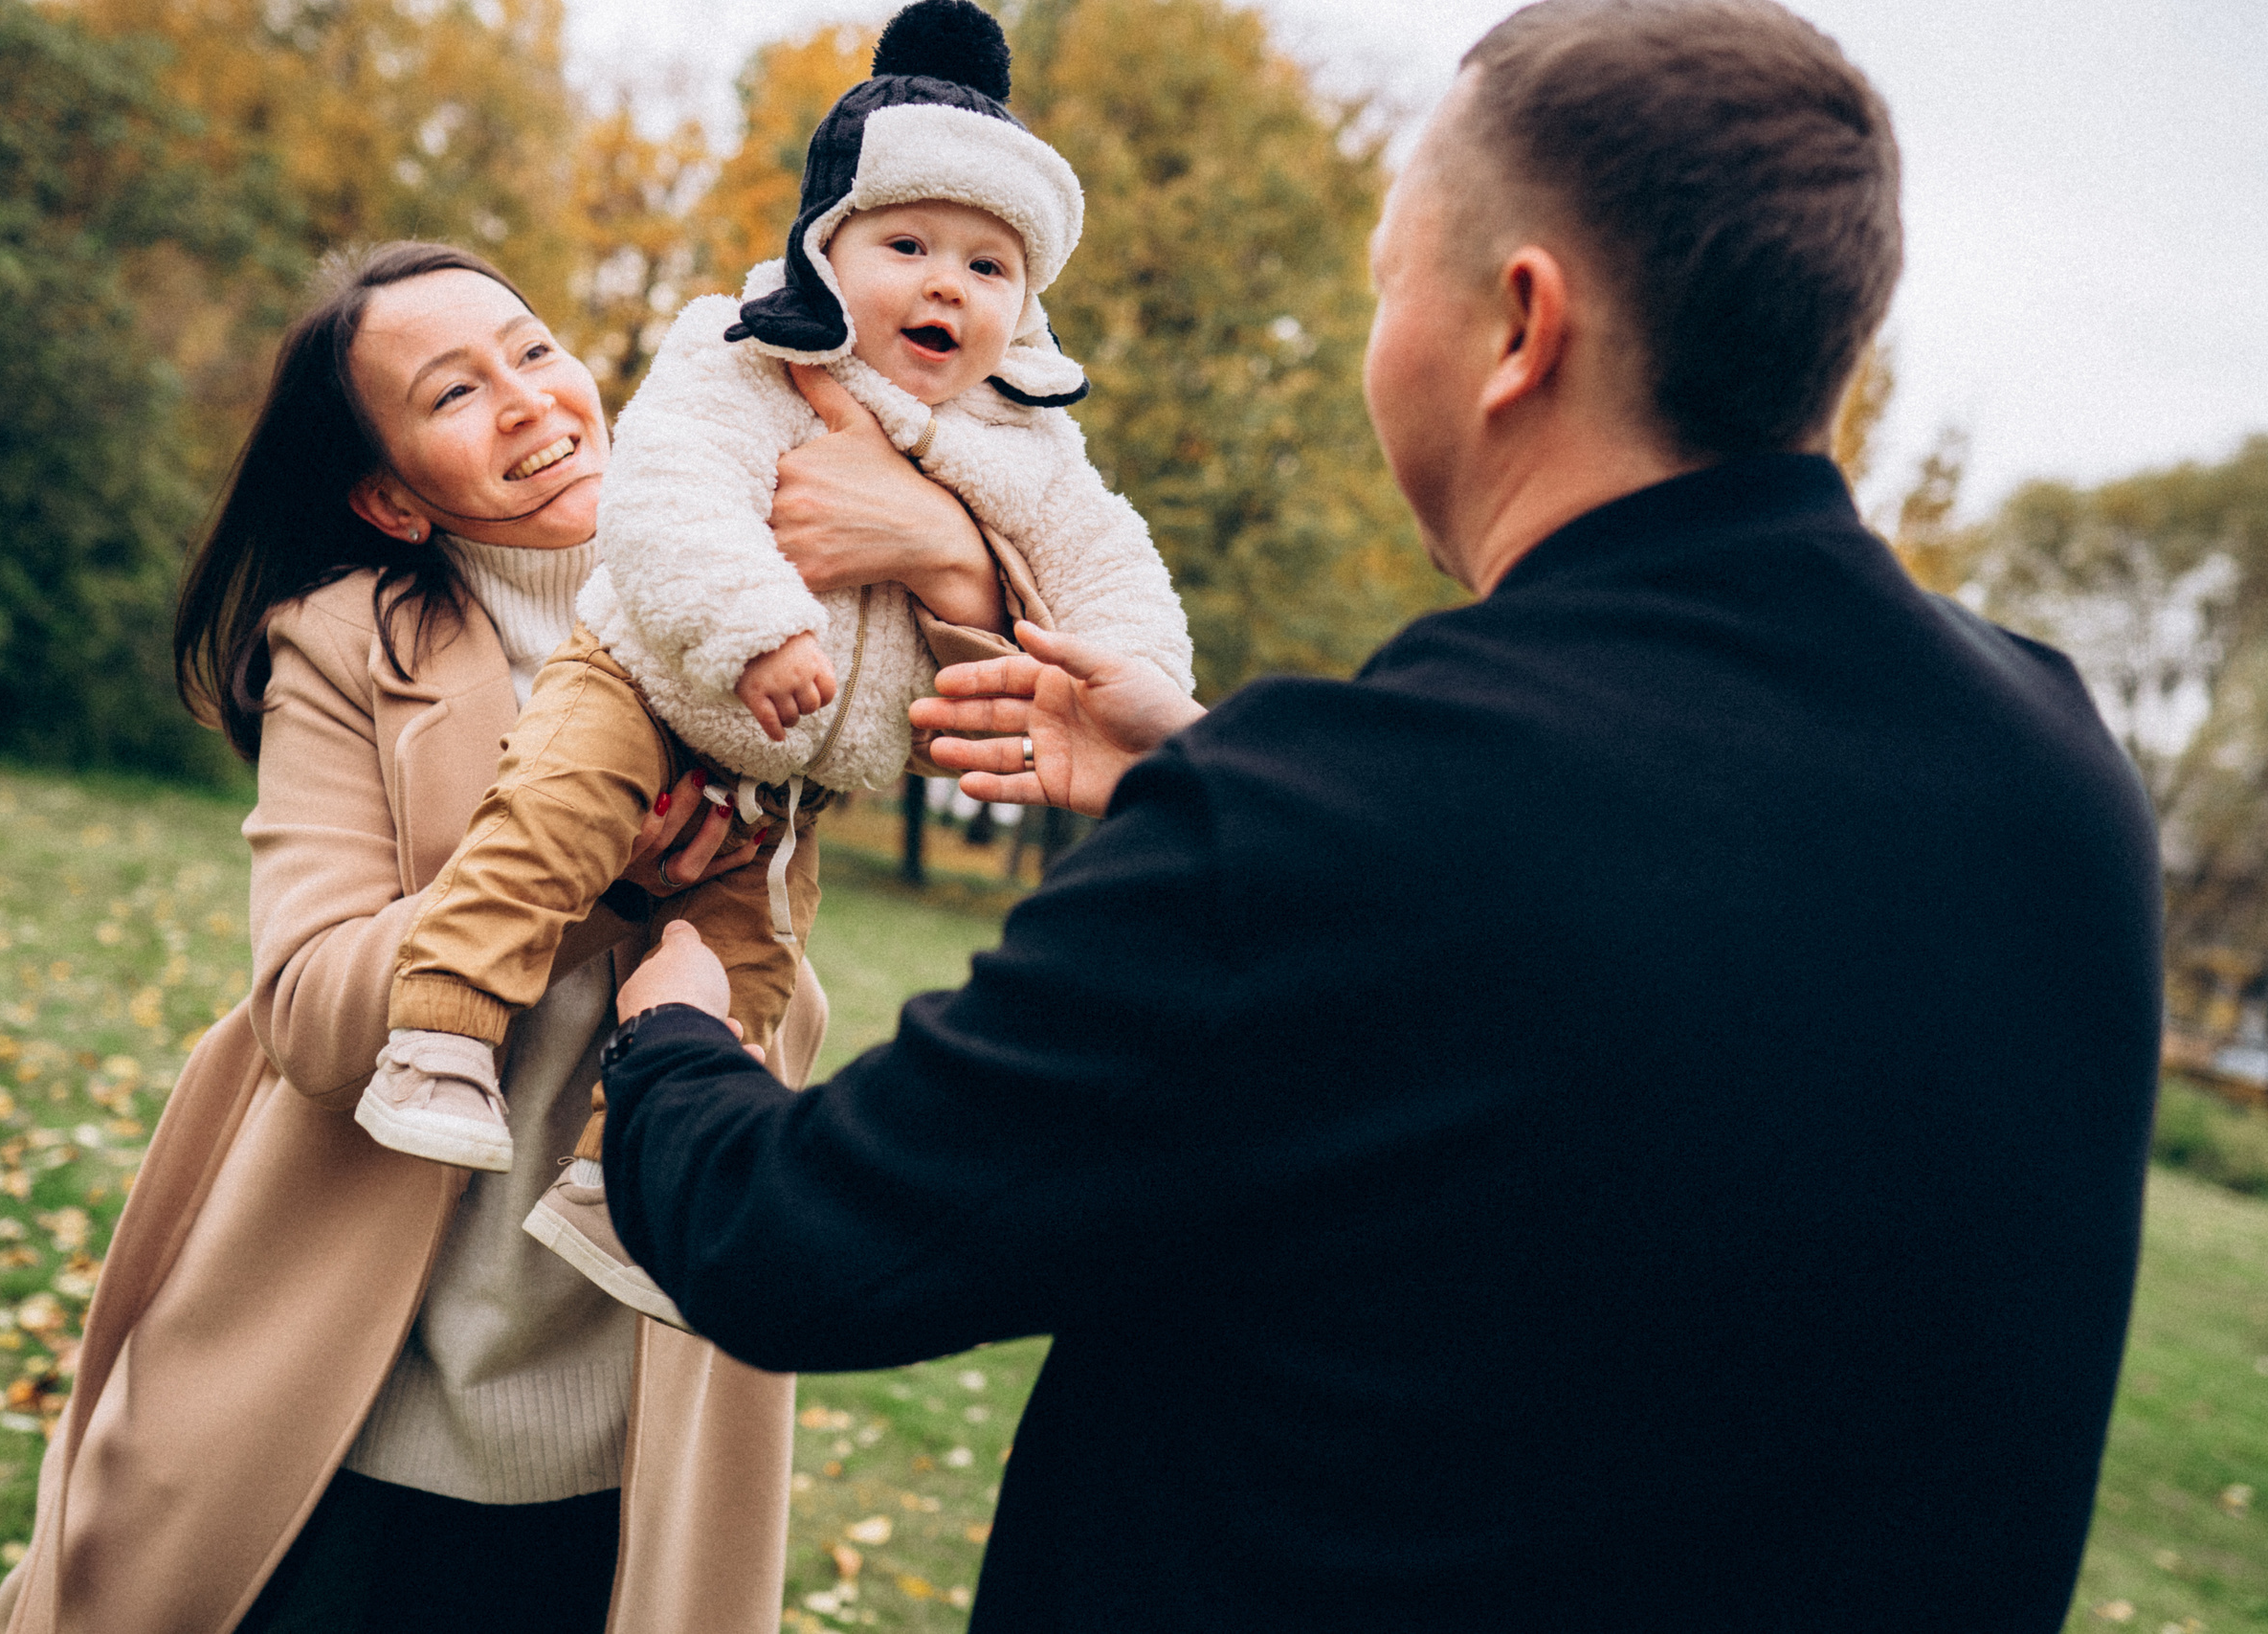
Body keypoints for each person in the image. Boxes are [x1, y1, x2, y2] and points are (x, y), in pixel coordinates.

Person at [593, 2, 2164, 1629]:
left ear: (1519, 326)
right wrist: (1197, 773)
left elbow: (798, 1239)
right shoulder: (2063, 775)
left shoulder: (1334, 822)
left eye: (1388, 278)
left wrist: (674, 1031)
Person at [0, 240, 1008, 1634]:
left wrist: (940, 545)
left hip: (627, 1408)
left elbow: (1010, 689)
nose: (527, 399)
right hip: (349, 1403)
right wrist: (602, 889)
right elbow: (312, 1018)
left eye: (532, 351)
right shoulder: (346, 647)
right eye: (453, 393)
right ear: (391, 498)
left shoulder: (773, 595)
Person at [357, 0, 1190, 1329]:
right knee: (553, 819)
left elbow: (1107, 564)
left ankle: (620, 1181)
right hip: (650, 682)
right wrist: (756, 626)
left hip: (786, 787)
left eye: (989, 267)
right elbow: (670, 495)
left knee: (743, 973)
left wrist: (1137, 677)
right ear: (826, 247)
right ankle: (442, 1032)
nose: (946, 286)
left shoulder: (1023, 442)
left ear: (1027, 303)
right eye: (907, 245)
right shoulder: (747, 355)